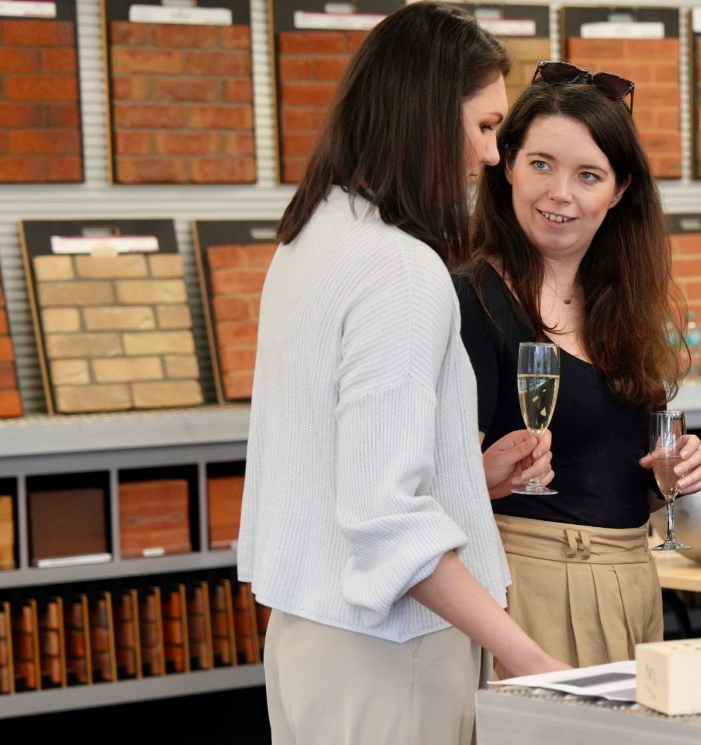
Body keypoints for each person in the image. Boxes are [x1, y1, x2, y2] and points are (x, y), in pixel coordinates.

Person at [236, 6, 566, 743]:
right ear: (424, 117)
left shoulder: (312, 237)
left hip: (307, 638)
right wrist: (523, 651)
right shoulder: (402, 269)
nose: (490, 158)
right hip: (393, 648)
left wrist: (465, 478)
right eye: (484, 128)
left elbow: (342, 478)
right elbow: (386, 520)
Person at [456, 63, 701, 673]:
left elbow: (618, 484)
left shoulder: (627, 307)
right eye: (541, 164)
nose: (560, 193)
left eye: (588, 175)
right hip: (522, 595)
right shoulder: (471, 300)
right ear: (508, 162)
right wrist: (480, 475)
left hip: (632, 586)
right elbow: (429, 486)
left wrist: (669, 476)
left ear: (619, 190)